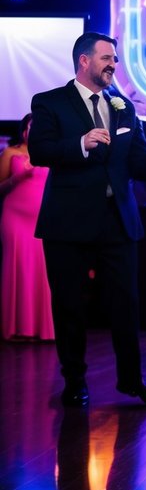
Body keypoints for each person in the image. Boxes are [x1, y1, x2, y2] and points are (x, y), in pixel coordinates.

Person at [28, 31, 146, 408]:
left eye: (115, 59)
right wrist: (81, 143)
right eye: (106, 58)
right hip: (68, 223)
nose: (113, 64)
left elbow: (137, 164)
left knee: (126, 305)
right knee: (69, 306)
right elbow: (38, 151)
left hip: (118, 221)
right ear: (84, 61)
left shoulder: (123, 106)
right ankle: (74, 382)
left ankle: (132, 382)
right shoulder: (50, 103)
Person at [0, 114, 54, 340]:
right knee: (17, 267)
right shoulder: (11, 153)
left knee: (42, 271)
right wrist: (17, 179)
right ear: (24, 131)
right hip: (15, 218)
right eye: (32, 126)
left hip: (43, 221)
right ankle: (15, 328)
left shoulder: (52, 155)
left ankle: (42, 329)